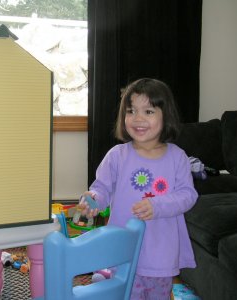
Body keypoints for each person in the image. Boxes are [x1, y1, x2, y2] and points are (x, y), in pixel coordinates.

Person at [80, 78, 198, 300]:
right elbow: (101, 188)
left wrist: (158, 205)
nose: (138, 118)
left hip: (161, 252)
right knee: (124, 294)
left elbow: (188, 195)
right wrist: (92, 200)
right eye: (131, 111)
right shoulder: (117, 155)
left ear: (166, 116)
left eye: (149, 111)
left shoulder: (177, 157)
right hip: (124, 248)